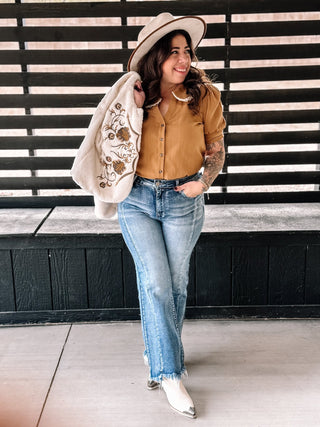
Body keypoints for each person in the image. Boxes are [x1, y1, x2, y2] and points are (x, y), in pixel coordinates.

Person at [118, 12, 226, 419]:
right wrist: (134, 111)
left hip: (183, 199)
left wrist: (204, 181)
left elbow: (216, 147)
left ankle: (155, 351)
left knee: (174, 283)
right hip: (137, 200)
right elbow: (110, 146)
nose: (183, 60)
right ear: (156, 57)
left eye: (186, 51)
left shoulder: (205, 97)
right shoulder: (132, 94)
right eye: (174, 53)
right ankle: (170, 373)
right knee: (157, 283)